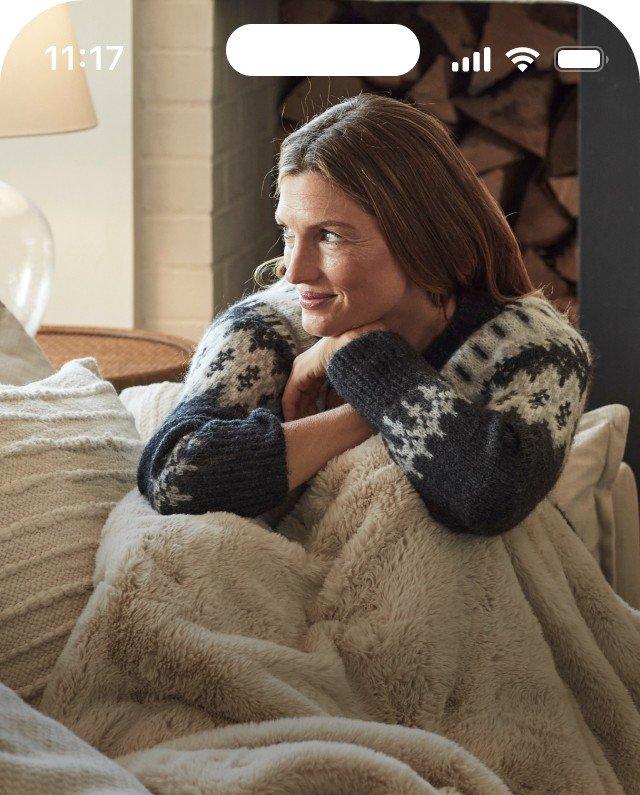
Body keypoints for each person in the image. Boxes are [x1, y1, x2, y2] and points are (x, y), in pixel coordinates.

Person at [137, 92, 594, 536]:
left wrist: (366, 362)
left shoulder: (539, 348)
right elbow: (175, 477)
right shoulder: (265, 327)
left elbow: (490, 498)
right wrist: (357, 416)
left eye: (330, 236)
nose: (294, 271)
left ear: (423, 239)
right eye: (289, 234)